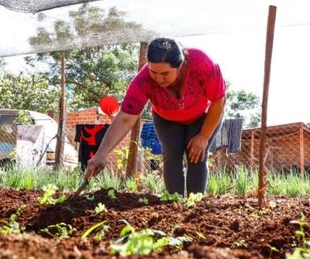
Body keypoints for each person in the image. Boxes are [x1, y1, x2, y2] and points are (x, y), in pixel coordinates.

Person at [85, 37, 226, 195]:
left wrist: (203, 136)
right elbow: (125, 117)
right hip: (166, 119)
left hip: (203, 116)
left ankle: (195, 204)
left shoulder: (202, 63)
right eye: (153, 72)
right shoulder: (143, 80)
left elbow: (219, 100)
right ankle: (175, 204)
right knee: (172, 155)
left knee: (197, 156)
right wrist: (101, 153)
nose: (158, 79)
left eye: (165, 74)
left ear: (180, 65)